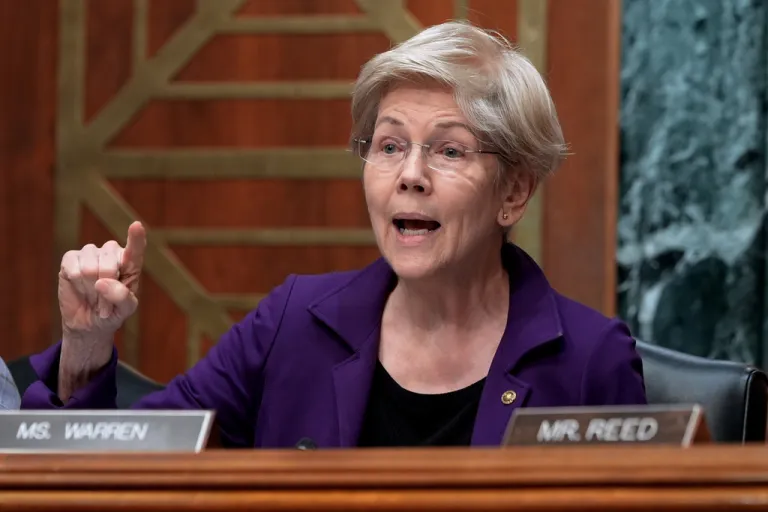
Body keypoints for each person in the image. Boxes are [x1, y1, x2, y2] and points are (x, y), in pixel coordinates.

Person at [21, 21, 646, 447]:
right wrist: (86, 347)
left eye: (449, 150)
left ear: (513, 192)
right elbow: (123, 467)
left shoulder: (589, 361)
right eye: (389, 145)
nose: (410, 175)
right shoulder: (293, 324)